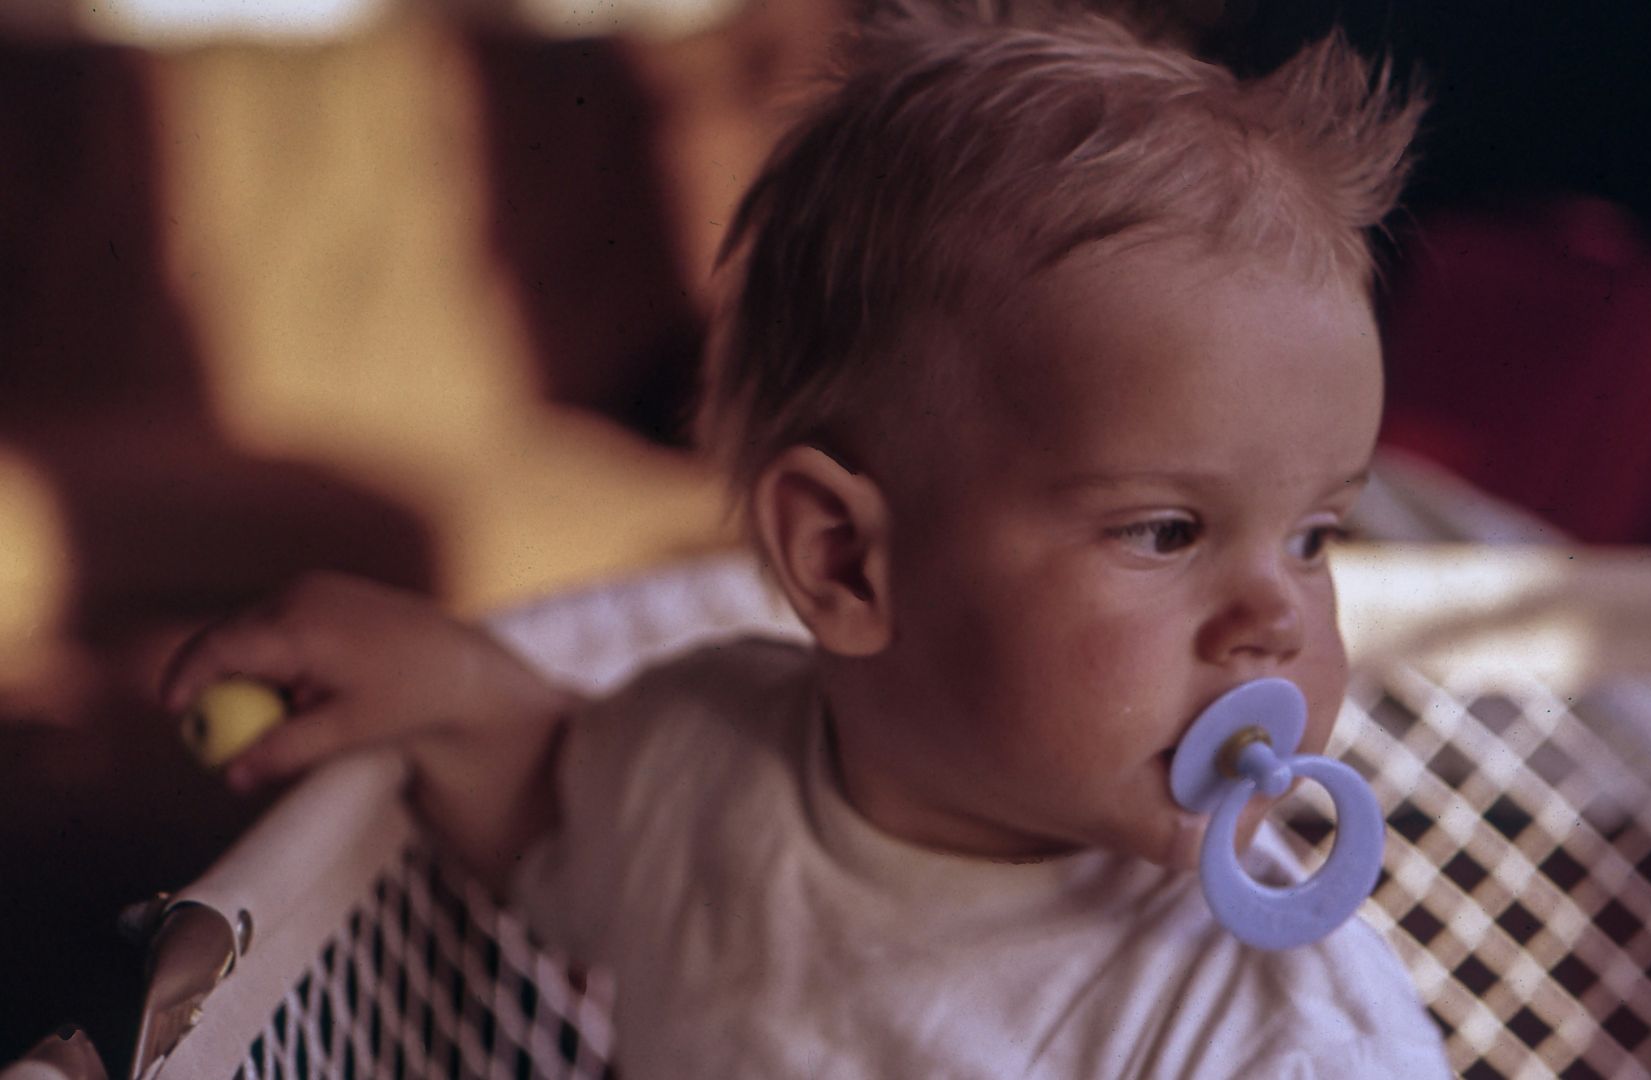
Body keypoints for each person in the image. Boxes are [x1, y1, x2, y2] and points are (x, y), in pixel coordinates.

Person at [160, 4, 1449, 1074]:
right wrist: (438, 683)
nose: (1278, 618)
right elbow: (555, 799)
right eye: (1168, 531)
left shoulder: (1274, 1027)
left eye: (1315, 536)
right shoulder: (707, 768)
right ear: (842, 560)